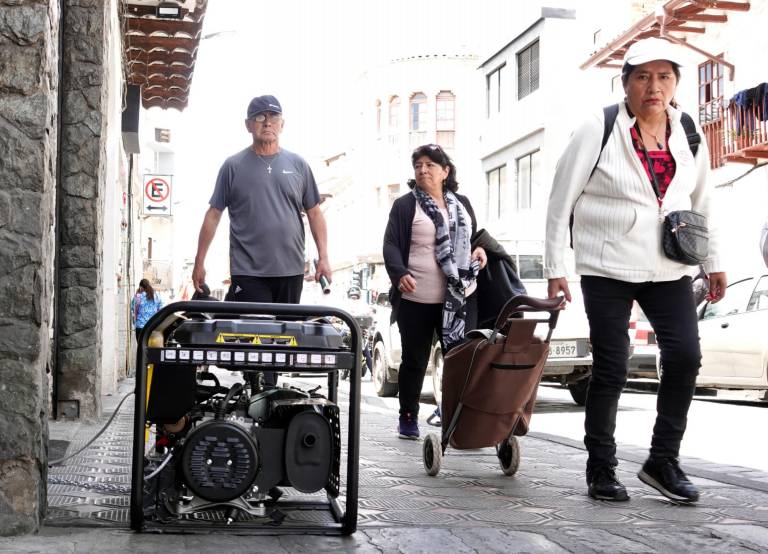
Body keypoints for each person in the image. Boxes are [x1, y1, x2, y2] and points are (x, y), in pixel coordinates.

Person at [544, 38, 727, 504]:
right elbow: (560, 199)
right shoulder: (598, 127)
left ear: (675, 84)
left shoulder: (688, 131)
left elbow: (701, 202)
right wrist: (555, 268)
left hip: (669, 264)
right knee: (611, 367)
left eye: (664, 76)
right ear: (625, 83)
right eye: (643, 76)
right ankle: (601, 467)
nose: (654, 86)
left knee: (685, 357)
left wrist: (715, 263)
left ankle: (662, 460)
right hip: (606, 263)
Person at [192, 94, 331, 387]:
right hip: (249, 270)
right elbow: (214, 214)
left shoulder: (298, 165)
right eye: (259, 117)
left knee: (283, 341)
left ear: (282, 123)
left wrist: (325, 257)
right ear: (248, 125)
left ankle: (267, 395)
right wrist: (199, 262)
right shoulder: (233, 166)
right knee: (259, 336)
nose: (266, 122)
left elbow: (315, 213)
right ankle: (260, 391)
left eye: (272, 116)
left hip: (291, 268)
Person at [383, 144, 487, 440]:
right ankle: (407, 416)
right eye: (418, 165)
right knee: (415, 360)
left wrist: (480, 249)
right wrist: (399, 273)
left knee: (459, 359)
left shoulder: (462, 204)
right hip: (417, 299)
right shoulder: (405, 206)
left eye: (430, 165)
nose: (423, 169)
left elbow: (474, 238)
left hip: (459, 299)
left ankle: (453, 413)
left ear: (445, 171)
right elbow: (391, 244)